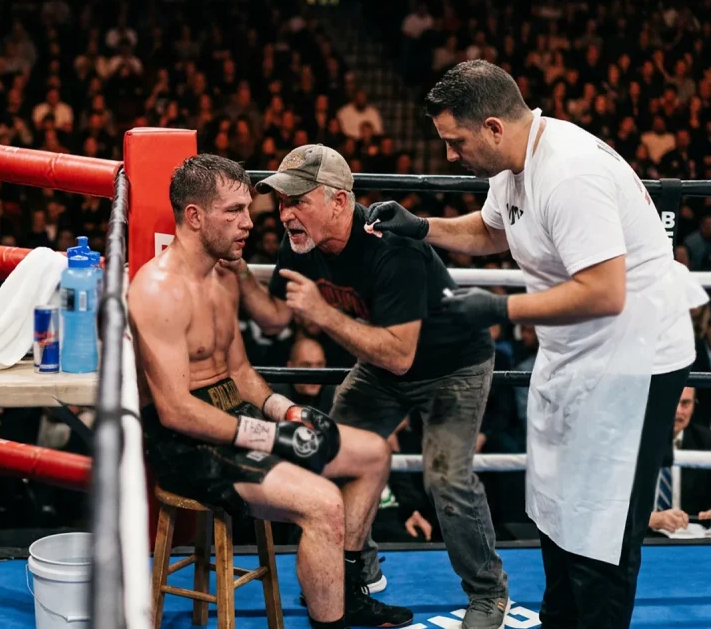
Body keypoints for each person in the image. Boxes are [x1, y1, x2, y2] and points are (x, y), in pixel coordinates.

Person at [366, 59, 701, 629]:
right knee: (557, 508)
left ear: (494, 127)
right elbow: (496, 229)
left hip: (633, 357)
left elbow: (604, 289)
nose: (449, 156)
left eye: (455, 142)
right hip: (581, 351)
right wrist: (423, 226)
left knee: (602, 524)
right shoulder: (518, 163)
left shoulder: (569, 172)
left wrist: (499, 307)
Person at [128, 154, 413, 628]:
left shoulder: (224, 276)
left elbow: (238, 370)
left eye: (247, 211)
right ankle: (330, 621)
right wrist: (269, 436)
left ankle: (343, 588)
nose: (248, 224)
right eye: (233, 212)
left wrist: (287, 411)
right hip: (188, 444)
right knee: (323, 503)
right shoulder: (158, 290)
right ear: (194, 217)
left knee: (374, 454)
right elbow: (176, 410)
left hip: (235, 416)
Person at [230, 143, 507, 628]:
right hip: (382, 367)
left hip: (452, 368)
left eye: (299, 201)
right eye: (283, 201)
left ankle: (488, 594)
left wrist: (322, 313)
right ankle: (358, 575)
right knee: (328, 455)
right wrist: (235, 273)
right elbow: (275, 319)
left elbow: (400, 356)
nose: (286, 214)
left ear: (339, 201)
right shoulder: (299, 243)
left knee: (446, 479)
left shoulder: (392, 247)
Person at [647, 386, 711, 533]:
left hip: (689, 540)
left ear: (694, 405)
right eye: (672, 401)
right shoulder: (631, 442)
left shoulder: (707, 442)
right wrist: (650, 519)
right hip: (640, 539)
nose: (678, 410)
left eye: (685, 403)